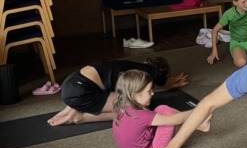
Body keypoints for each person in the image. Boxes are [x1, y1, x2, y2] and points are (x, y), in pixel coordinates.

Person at [48, 56, 188, 127]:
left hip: (71, 84)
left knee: (103, 90)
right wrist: (175, 80)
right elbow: (166, 82)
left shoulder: (130, 67)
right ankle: (78, 117)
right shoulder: (150, 72)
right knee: (131, 110)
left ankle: (71, 109)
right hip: (79, 93)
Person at [112, 69, 210, 148]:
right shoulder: (142, 116)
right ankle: (198, 123)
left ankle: (199, 124)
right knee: (168, 115)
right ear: (135, 96)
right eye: (149, 91)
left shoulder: (121, 109)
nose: (152, 93)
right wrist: (200, 110)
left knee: (162, 109)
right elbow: (177, 119)